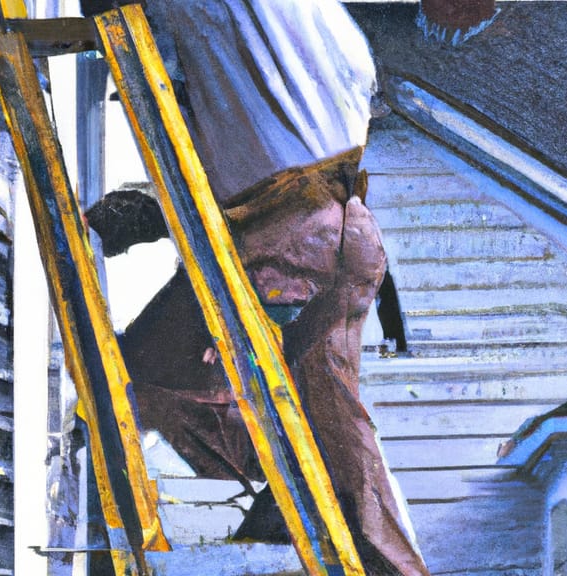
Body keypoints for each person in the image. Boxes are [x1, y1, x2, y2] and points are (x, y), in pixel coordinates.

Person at [84, 1, 430, 574]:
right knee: (330, 409)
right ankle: (312, 513)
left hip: (287, 239)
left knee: (142, 377)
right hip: (344, 233)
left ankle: (289, 496)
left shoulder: (219, 26)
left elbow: (209, 165)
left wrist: (127, 216)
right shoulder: (326, 33)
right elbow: (230, 161)